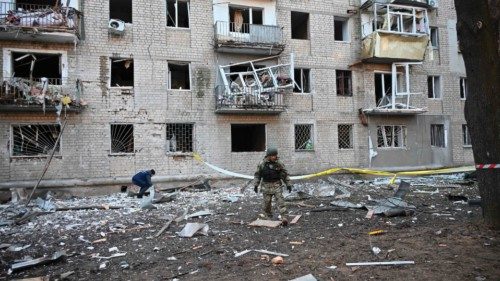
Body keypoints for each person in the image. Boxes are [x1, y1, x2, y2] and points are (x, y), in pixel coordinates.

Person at [254, 147, 293, 226]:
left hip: (276, 185)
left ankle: (284, 217)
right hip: (266, 186)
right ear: (268, 156)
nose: (274, 157)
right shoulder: (262, 164)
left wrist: (288, 184)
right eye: (272, 156)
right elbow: (257, 175)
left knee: (280, 201)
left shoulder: (279, 163)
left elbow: (285, 175)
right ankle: (268, 216)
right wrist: (256, 185)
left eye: (275, 155)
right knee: (267, 203)